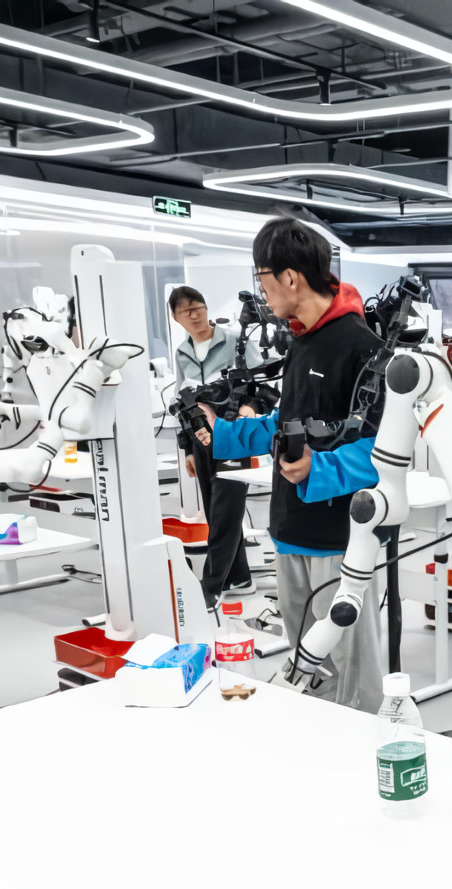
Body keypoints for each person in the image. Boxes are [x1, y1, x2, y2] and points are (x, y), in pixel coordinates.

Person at [192, 218, 386, 714]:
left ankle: (366, 754)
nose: (262, 292)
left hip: (340, 543)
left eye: (263, 279)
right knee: (307, 668)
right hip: (290, 531)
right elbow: (290, 421)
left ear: (290, 278)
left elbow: (383, 451)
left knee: (354, 677)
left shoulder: (362, 347)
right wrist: (226, 434)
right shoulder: (301, 340)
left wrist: (318, 470)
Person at [169, 286, 253, 600]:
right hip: (200, 439)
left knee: (224, 511)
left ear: (206, 307)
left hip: (233, 436)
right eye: (186, 311)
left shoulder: (236, 342)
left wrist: (249, 409)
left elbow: (262, 384)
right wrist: (187, 449)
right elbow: (182, 401)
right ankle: (239, 578)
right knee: (216, 511)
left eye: (198, 307)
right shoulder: (182, 353)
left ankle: (211, 585)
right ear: (176, 318)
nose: (194, 315)